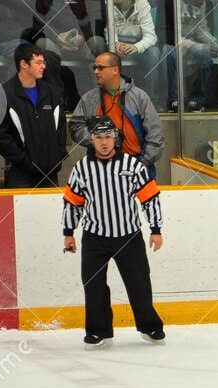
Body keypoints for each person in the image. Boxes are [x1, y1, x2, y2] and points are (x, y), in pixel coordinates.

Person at [61, 116, 163, 346]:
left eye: (108, 137)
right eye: (99, 137)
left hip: (129, 236)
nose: (104, 142)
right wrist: (68, 232)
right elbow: (73, 201)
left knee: (139, 284)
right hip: (94, 237)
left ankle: (150, 326)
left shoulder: (132, 165)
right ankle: (98, 330)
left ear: (116, 138)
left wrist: (155, 229)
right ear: (92, 139)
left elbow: (150, 197)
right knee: (94, 286)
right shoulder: (82, 168)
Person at [72, 51, 165, 176]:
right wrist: (98, 140)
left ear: (115, 70)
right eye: (95, 68)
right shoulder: (89, 99)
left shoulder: (139, 97)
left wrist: (142, 163)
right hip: (100, 169)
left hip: (136, 166)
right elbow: (75, 127)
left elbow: (156, 134)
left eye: (100, 68)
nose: (95, 72)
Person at [0, 43, 68, 189]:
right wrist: (24, 162)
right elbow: (1, 136)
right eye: (38, 62)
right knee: (22, 212)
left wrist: (57, 157)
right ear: (24, 64)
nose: (43, 66)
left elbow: (60, 128)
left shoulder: (52, 92)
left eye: (44, 62)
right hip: (20, 173)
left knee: (50, 212)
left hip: (50, 171)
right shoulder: (4, 94)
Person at [107, 0, 162, 106]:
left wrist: (136, 47)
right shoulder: (107, 3)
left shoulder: (142, 3)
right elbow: (105, 30)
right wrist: (115, 44)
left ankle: (151, 101)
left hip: (137, 44)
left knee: (153, 52)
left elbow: (151, 36)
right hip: (113, 43)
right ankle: (110, 100)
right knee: (103, 52)